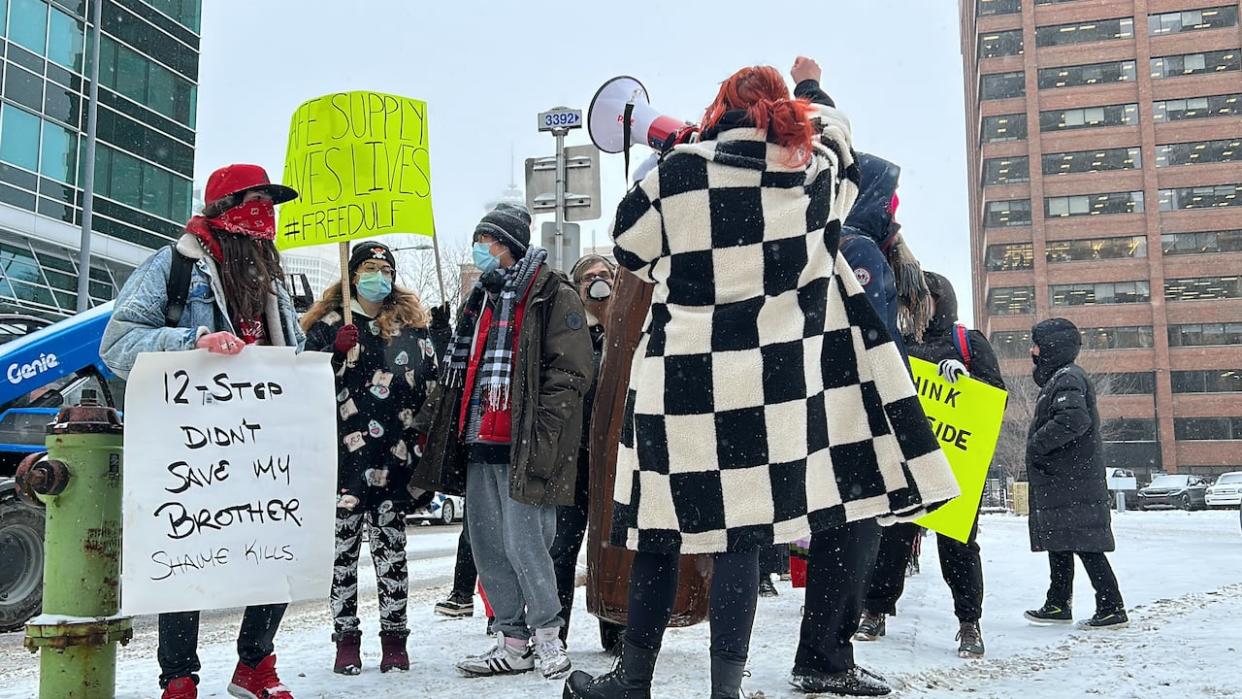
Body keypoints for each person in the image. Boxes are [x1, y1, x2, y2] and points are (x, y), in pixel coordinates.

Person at [564, 63, 957, 699]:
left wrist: (688, 144)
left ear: (718, 108)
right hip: (769, 391)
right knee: (741, 541)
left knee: (657, 532)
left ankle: (633, 680)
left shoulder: (678, 173)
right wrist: (806, 101)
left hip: (681, 385)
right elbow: (847, 148)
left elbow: (630, 248)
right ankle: (727, 689)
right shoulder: (813, 178)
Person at [99, 164, 304, 699]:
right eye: (252, 200)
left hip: (261, 442)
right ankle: (180, 676)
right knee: (186, 547)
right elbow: (117, 344)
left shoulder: (272, 277)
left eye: (270, 202)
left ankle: (255, 664)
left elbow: (293, 355)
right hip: (191, 441)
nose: (264, 212)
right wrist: (195, 342)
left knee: (273, 543)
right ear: (221, 208)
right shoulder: (172, 266)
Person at [785, 58, 926, 698]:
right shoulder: (853, 246)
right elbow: (821, 137)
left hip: (821, 413)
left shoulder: (824, 240)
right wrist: (809, 92)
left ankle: (822, 653)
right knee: (852, 544)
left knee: (842, 544)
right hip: (854, 421)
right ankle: (824, 658)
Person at [410, 202, 594, 679]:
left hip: (524, 443)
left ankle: (549, 636)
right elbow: (464, 369)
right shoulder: (482, 300)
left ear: (509, 246)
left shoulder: (551, 293)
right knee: (490, 547)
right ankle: (512, 641)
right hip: (478, 440)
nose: (480, 249)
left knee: (528, 544)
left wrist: (547, 432)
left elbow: (571, 371)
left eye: (486, 241)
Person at [301, 241, 450, 675]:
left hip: (392, 457)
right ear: (352, 273)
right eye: (369, 268)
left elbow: (430, 385)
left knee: (391, 552)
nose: (378, 276)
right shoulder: (329, 322)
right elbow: (300, 384)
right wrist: (329, 352)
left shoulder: (408, 324)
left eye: (386, 269)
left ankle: (394, 638)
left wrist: (438, 340)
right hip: (341, 459)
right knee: (342, 553)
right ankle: (346, 638)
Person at [855, 271, 1005, 659]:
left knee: (958, 547)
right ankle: (875, 610)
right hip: (907, 465)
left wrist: (969, 381)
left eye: (921, 300)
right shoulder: (897, 344)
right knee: (891, 543)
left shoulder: (968, 342)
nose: (913, 308)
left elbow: (995, 400)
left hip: (956, 469)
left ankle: (969, 622)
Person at [1024, 318, 1128, 629]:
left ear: (1052, 347)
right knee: (1061, 541)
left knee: (1085, 544)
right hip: (1065, 481)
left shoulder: (1067, 377)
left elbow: (1073, 419)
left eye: (1037, 344)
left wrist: (1037, 445)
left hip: (1071, 481)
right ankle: (1058, 603)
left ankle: (1111, 607)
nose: (1032, 350)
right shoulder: (1061, 378)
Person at [549, 254, 617, 644]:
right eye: (589, 277)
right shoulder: (567, 332)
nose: (597, 282)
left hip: (614, 459)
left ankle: (615, 627)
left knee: (612, 550)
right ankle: (556, 632)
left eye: (604, 275)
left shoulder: (627, 329)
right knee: (562, 549)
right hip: (573, 460)